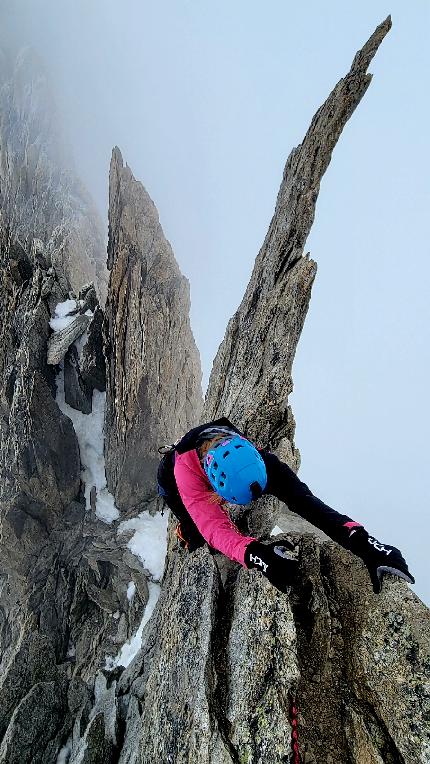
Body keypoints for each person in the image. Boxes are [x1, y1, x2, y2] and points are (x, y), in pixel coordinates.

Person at [157, 417, 414, 594]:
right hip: (172, 481)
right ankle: (186, 533)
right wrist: (258, 555)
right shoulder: (186, 475)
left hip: (232, 466)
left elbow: (310, 506)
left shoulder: (254, 460)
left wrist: (367, 545)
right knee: (197, 530)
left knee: (299, 496)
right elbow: (214, 528)